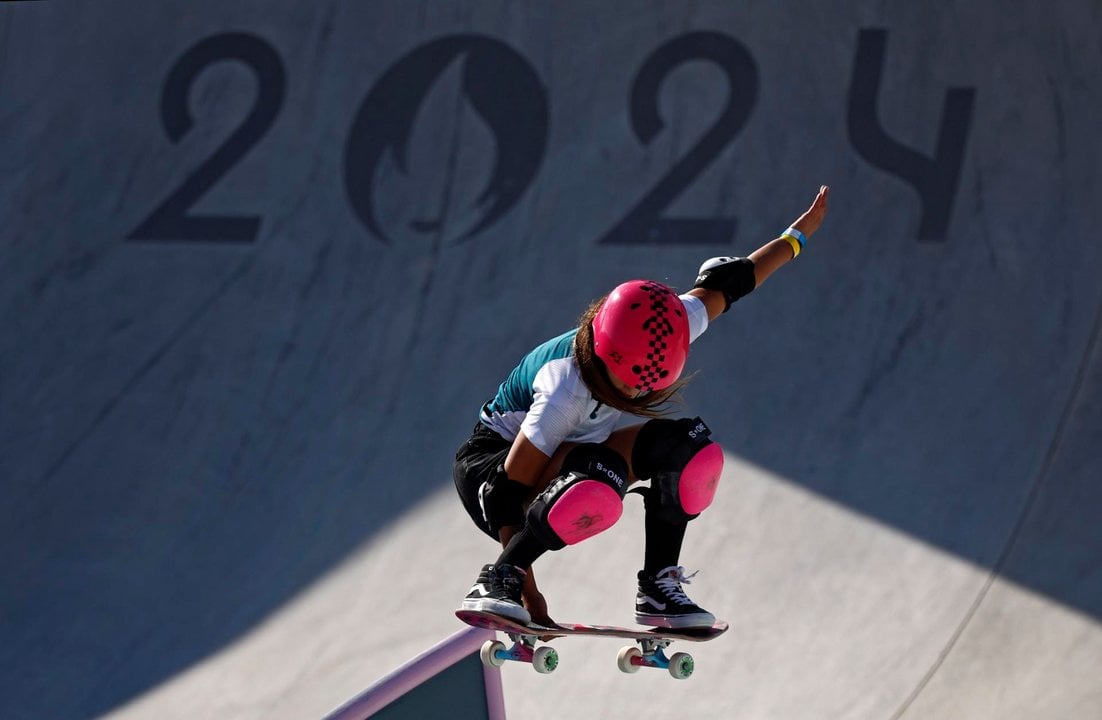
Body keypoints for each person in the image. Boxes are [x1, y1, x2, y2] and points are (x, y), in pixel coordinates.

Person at [454, 185, 830, 628]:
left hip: (574, 452)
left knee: (691, 452)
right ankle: (498, 577)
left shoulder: (668, 324)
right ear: (603, 359)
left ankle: (658, 590)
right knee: (597, 481)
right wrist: (525, 591)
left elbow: (733, 282)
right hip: (492, 466)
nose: (635, 397)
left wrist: (796, 237)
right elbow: (505, 494)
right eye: (630, 387)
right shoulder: (564, 390)